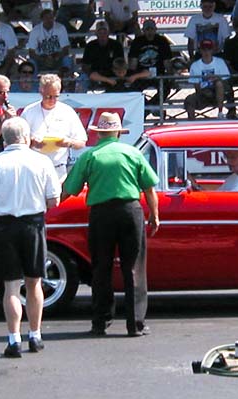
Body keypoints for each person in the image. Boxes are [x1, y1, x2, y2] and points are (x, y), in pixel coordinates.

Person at [62, 112, 160, 338]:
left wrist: (50, 206)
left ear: (99, 133)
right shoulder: (133, 153)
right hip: (130, 210)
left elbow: (70, 188)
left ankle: (100, 322)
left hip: (101, 213)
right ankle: (135, 324)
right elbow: (149, 189)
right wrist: (154, 215)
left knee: (101, 267)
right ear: (117, 132)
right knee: (134, 267)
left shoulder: (91, 156)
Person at [0, 117, 61, 358]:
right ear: (26, 137)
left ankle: (13, 339)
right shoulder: (42, 162)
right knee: (34, 283)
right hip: (33, 224)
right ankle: (35, 335)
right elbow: (54, 200)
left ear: (4, 138)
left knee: (10, 287)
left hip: (5, 226)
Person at [21, 74, 87, 181]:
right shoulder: (29, 111)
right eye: (48, 96)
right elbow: (19, 141)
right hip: (33, 169)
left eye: (56, 96)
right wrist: (32, 142)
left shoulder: (67, 111)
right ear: (41, 92)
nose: (52, 100)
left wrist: (68, 142)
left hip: (58, 169)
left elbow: (81, 142)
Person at [128, 19, 175, 109]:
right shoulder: (137, 42)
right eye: (147, 29)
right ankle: (149, 108)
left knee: (165, 89)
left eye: (151, 29)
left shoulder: (162, 41)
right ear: (143, 30)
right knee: (133, 90)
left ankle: (149, 109)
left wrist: (171, 77)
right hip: (141, 75)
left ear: (155, 29)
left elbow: (167, 62)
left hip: (158, 74)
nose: (149, 32)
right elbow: (133, 64)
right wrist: (132, 75)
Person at [185, 39, 236, 120]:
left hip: (221, 92)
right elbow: (196, 85)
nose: (206, 52)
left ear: (212, 50)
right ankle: (192, 121)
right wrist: (202, 92)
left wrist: (217, 79)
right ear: (200, 50)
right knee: (189, 100)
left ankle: (220, 113)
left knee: (219, 84)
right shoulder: (195, 65)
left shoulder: (220, 62)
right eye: (204, 49)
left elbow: (226, 80)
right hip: (203, 92)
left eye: (208, 49)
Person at [79, 21, 125, 91]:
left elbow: (121, 64)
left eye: (105, 32)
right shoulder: (90, 46)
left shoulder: (116, 45)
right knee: (82, 78)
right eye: (100, 33)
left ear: (108, 33)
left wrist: (117, 72)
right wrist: (90, 73)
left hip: (112, 74)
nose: (102, 35)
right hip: (95, 74)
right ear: (96, 33)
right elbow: (85, 65)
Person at [27, 9, 73, 73]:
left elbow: (65, 49)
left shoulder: (61, 28)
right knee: (31, 62)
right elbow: (31, 52)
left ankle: (67, 81)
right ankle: (34, 82)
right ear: (42, 19)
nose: (49, 20)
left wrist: (56, 57)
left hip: (57, 57)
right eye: (46, 18)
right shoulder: (35, 30)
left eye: (51, 17)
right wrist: (43, 59)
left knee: (67, 59)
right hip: (41, 58)